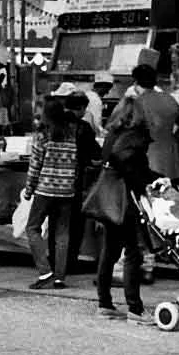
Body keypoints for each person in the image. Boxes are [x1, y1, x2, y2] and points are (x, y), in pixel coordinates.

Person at [95, 97, 169, 325]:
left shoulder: (112, 135)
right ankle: (135, 308)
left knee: (108, 252)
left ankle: (104, 304)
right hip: (125, 201)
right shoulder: (134, 138)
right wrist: (157, 179)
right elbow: (135, 171)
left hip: (108, 198)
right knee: (133, 253)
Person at [21, 95, 78, 290]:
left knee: (32, 228)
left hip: (45, 189)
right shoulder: (71, 134)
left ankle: (45, 272)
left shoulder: (43, 135)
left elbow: (35, 166)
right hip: (66, 190)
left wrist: (29, 190)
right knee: (62, 233)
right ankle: (60, 276)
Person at [107, 63, 179, 180]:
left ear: (136, 83)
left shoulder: (137, 103)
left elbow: (114, 127)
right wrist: (174, 139)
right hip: (171, 164)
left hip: (145, 165)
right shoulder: (169, 99)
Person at [63, 90, 101, 275]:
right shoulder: (83, 128)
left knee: (58, 224)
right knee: (75, 225)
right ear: (80, 108)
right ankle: (70, 261)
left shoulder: (54, 124)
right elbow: (95, 154)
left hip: (52, 183)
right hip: (74, 182)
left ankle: (56, 261)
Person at [83, 71, 115, 139]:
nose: (107, 92)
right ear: (103, 86)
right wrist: (104, 135)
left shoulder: (87, 94)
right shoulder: (96, 100)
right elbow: (96, 123)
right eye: (107, 89)